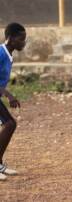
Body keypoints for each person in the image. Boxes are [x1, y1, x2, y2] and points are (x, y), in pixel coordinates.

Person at [0, 23, 26, 181]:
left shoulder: (8, 55)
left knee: (10, 124)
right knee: (9, 124)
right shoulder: (1, 53)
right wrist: (9, 95)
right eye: (21, 39)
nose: (24, 42)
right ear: (10, 39)